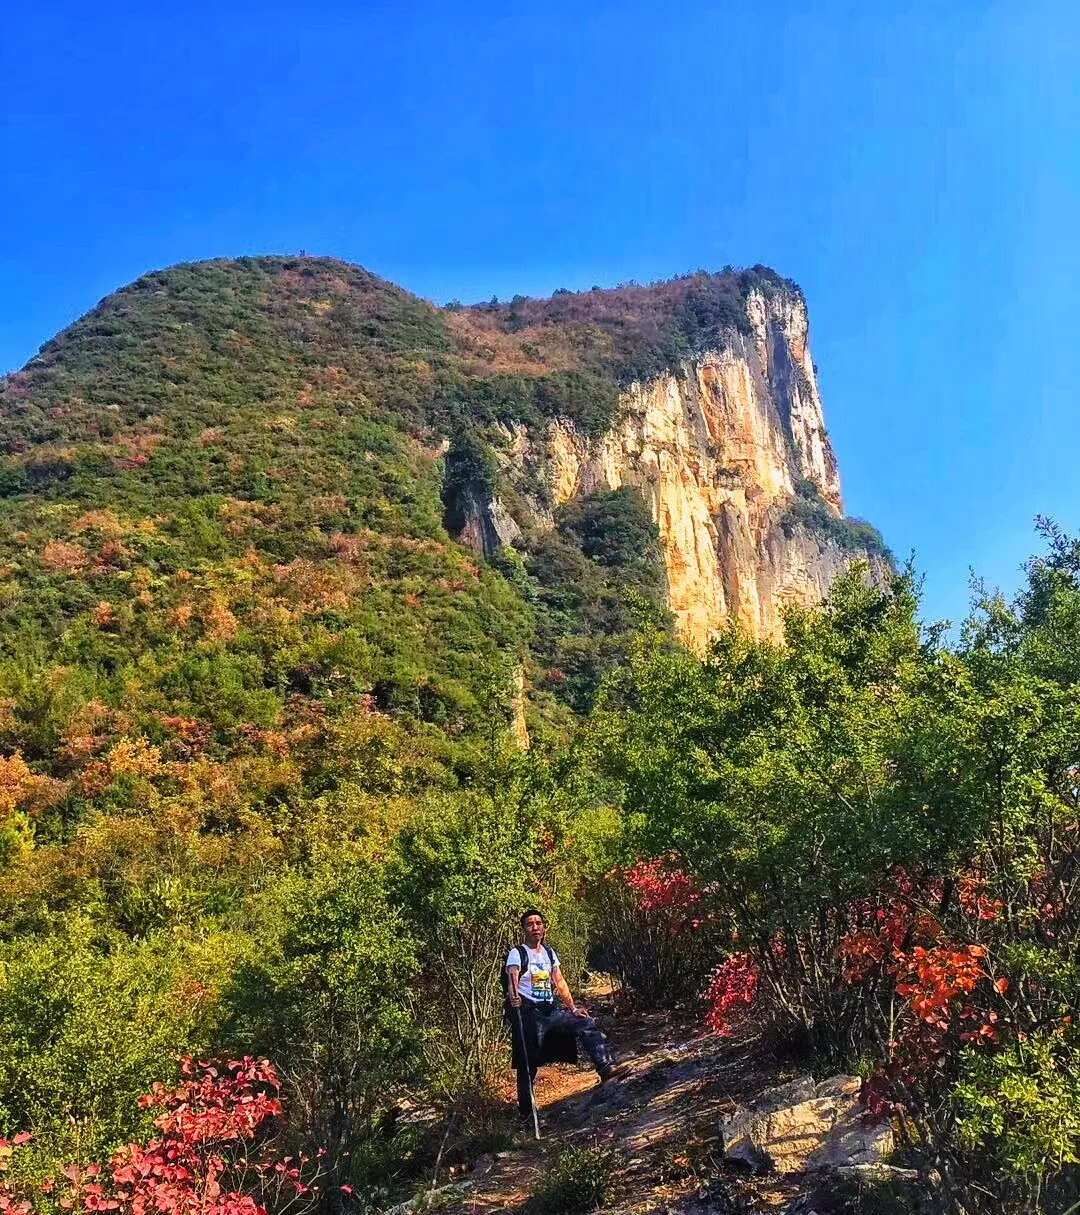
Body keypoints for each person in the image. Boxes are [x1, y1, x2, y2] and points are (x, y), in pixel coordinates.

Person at [504, 908, 624, 1121]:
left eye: (538, 923)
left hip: (550, 1009)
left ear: (544, 927)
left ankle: (606, 1068)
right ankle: (527, 1114)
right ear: (523, 929)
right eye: (530, 924)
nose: (535, 927)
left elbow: (559, 981)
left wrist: (573, 1008)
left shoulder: (549, 953)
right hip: (528, 1013)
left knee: (585, 1023)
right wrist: (514, 997)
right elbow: (512, 977)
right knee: (527, 1063)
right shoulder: (517, 953)